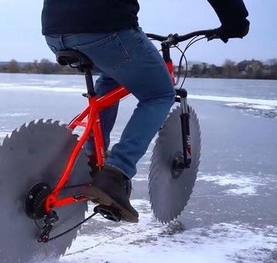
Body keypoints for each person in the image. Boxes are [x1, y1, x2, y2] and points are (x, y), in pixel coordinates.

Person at [41, 0, 250, 223]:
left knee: (113, 74)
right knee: (159, 94)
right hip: (104, 26)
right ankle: (115, 173)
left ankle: (91, 160)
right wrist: (235, 19)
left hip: (54, 31)